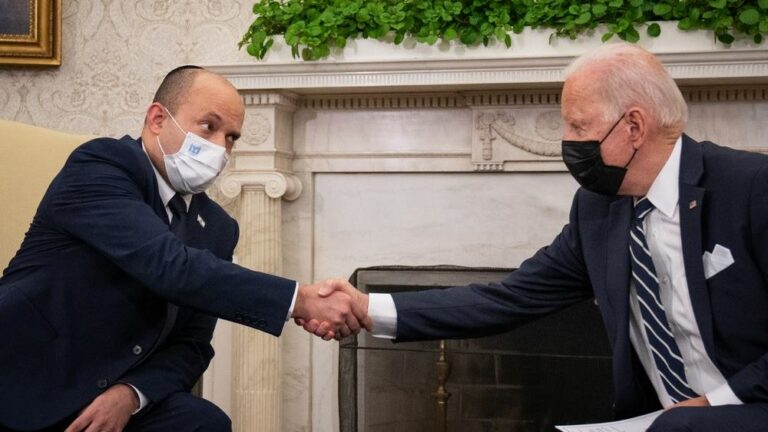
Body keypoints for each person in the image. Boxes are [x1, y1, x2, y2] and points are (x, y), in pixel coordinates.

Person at [307, 43, 768, 431]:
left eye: (579, 126)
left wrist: (709, 407)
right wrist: (367, 308)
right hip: (658, 422)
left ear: (634, 127)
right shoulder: (598, 210)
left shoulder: (751, 188)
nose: (567, 142)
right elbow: (510, 299)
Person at [0, 66, 368, 432]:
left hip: (112, 393)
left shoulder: (218, 228)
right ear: (158, 119)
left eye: (231, 137)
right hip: (25, 377)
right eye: (209, 127)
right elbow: (169, 266)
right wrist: (300, 300)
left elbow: (192, 344)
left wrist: (130, 395)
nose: (220, 148)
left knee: (204, 424)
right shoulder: (101, 166)